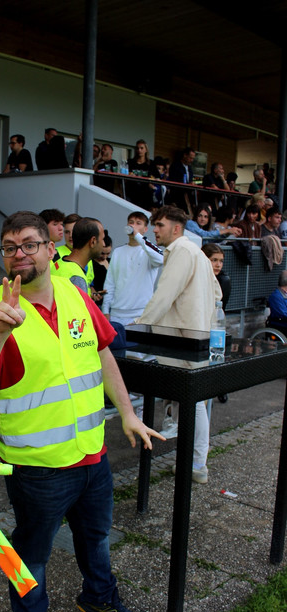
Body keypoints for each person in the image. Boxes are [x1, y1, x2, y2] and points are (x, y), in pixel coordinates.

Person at [0, 210, 163, 612]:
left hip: (93, 457)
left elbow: (102, 351)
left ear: (52, 249)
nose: (19, 254)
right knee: (31, 557)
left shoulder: (74, 295)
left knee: (96, 538)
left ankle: (98, 597)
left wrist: (128, 414)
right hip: (37, 470)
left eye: (29, 244)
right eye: (10, 247)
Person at [136, 206, 222, 484]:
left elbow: (164, 296)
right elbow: (217, 293)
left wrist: (139, 325)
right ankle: (196, 462)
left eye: (159, 225)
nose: (154, 230)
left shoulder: (183, 252)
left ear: (176, 228)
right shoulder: (194, 253)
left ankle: (196, 464)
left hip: (185, 341)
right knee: (193, 405)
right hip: (194, 338)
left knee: (193, 406)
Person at [102, 211, 163, 327]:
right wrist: (105, 310)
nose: (133, 226)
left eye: (138, 223)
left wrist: (138, 237)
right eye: (131, 222)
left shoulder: (149, 252)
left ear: (145, 229)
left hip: (140, 315)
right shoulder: (118, 252)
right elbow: (110, 282)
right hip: (116, 315)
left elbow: (161, 258)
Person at [202, 243, 231, 403]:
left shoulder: (223, 280)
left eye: (221, 260)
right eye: (214, 260)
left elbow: (221, 305)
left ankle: (220, 389)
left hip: (215, 325)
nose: (218, 264)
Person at [52, 217, 104, 293]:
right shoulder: (77, 279)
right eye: (102, 239)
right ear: (93, 241)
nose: (104, 244)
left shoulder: (60, 263)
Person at [168, 146, 196, 214]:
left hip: (188, 196)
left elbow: (191, 179)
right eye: (190, 158)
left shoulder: (190, 168)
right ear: (185, 155)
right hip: (177, 195)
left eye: (193, 159)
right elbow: (173, 181)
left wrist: (192, 183)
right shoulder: (176, 165)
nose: (191, 160)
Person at [126, 139, 153, 209]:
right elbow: (125, 173)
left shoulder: (151, 164)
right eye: (137, 148)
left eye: (141, 148)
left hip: (145, 195)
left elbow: (157, 177)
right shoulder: (130, 162)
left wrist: (150, 181)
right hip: (131, 192)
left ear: (146, 150)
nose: (139, 150)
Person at [91, 231, 112, 308]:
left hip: (113, 303)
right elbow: (89, 283)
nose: (104, 257)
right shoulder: (91, 263)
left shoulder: (112, 261)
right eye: (102, 253)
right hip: (98, 304)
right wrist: (94, 292)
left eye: (108, 253)